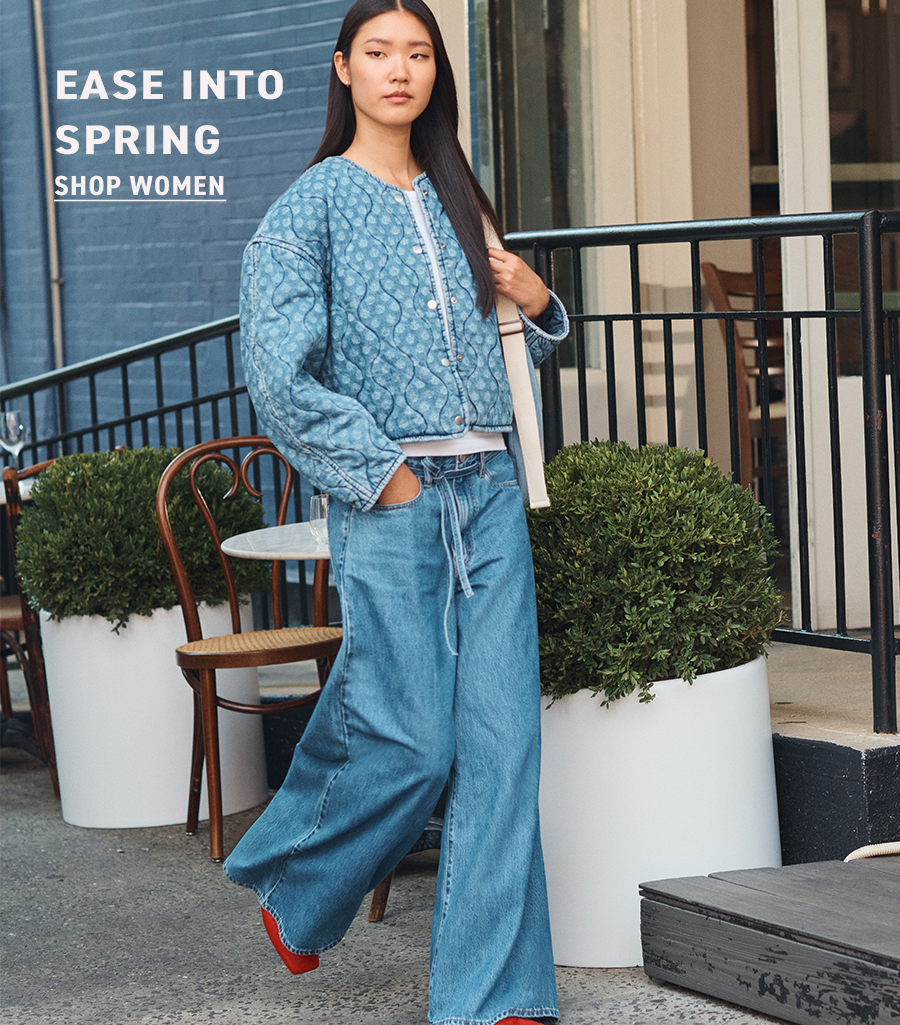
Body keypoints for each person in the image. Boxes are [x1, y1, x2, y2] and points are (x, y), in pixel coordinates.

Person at [223, 2, 567, 1023]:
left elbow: (512, 349)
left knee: (503, 752)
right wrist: (385, 474)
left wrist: (542, 303)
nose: (400, 70)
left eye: (418, 53)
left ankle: (494, 997)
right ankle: (297, 885)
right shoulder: (308, 210)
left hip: (494, 494)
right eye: (379, 52)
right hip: (395, 499)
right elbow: (279, 378)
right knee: (413, 737)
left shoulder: (462, 197)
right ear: (343, 69)